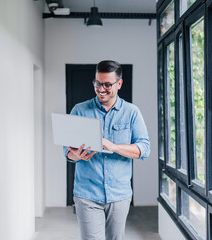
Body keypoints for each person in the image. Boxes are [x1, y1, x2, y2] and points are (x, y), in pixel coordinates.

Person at [63, 60, 150, 240]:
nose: (101, 89)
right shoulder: (79, 110)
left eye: (107, 85)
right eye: (97, 83)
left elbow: (144, 149)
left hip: (119, 195)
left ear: (119, 84)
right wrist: (76, 155)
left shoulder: (132, 112)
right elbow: (67, 151)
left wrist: (114, 146)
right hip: (87, 194)